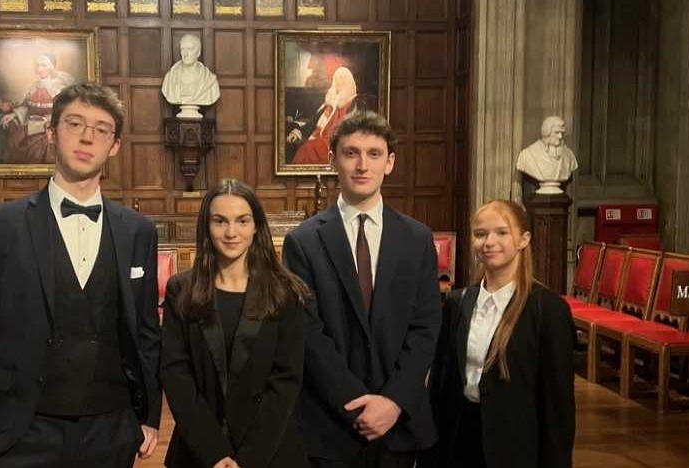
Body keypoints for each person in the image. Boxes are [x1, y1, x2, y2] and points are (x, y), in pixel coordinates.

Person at [0, 83, 162, 467]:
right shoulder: (1, 226)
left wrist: (149, 416)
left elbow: (146, 333)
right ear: (51, 133)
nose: (87, 137)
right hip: (19, 432)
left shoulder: (138, 231)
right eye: (74, 124)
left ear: (114, 146)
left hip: (111, 432)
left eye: (101, 129)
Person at [283, 110, 443, 467]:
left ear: (390, 162)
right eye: (351, 153)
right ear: (332, 159)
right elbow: (307, 333)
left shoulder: (417, 239)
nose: (362, 165)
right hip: (329, 425)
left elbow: (426, 326)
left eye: (374, 154)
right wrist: (357, 405)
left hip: (398, 423)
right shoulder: (303, 242)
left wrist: (393, 401)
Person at [160, 179, 312, 468]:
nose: (231, 232)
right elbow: (176, 375)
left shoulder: (284, 292)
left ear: (256, 226)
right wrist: (214, 453)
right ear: (206, 226)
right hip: (199, 452)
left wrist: (248, 459)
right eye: (220, 221)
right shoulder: (181, 290)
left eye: (242, 221)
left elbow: (286, 380)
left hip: (269, 453)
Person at [429, 199, 575, 468]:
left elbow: (557, 409)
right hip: (459, 442)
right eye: (480, 234)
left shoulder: (547, 309)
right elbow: (440, 387)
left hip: (515, 447)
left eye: (501, 232)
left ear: (523, 239)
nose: (489, 242)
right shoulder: (458, 302)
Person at [0, 53, 75, 164]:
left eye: (44, 65)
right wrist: (14, 114)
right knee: (15, 138)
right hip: (32, 123)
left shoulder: (60, 87)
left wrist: (51, 120)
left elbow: (68, 111)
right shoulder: (34, 86)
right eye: (38, 65)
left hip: (50, 125)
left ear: (52, 66)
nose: (39, 69)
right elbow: (26, 106)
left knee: (38, 147)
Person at [288, 66, 359, 165]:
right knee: (302, 146)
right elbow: (313, 122)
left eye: (342, 81)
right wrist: (298, 132)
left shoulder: (351, 105)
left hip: (335, 144)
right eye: (337, 80)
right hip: (319, 139)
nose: (338, 84)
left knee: (308, 148)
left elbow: (347, 133)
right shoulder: (329, 101)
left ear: (348, 83)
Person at [161, 33, 221, 118]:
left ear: (198, 52)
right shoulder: (170, 78)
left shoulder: (209, 80)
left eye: (189, 49)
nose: (185, 54)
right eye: (183, 49)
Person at [515, 116, 579, 193]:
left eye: (562, 133)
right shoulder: (527, 155)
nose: (560, 136)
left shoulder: (569, 155)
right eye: (556, 132)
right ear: (546, 133)